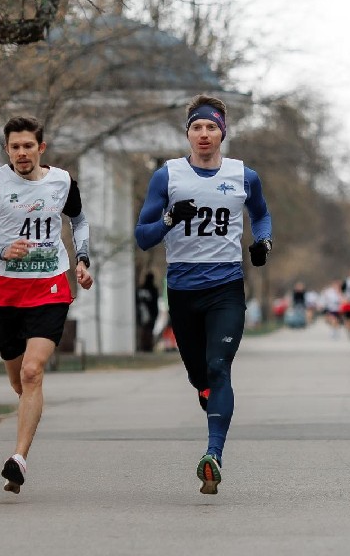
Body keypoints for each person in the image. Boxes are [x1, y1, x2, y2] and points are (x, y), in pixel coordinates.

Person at [135, 94, 273, 495]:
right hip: (182, 289)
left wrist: (263, 241)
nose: (204, 134)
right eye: (197, 127)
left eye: (212, 126)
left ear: (223, 132)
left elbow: (261, 213)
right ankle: (207, 395)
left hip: (226, 288)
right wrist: (168, 219)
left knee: (219, 367)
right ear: (188, 133)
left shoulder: (244, 175)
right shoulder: (167, 176)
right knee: (200, 375)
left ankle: (214, 454)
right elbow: (143, 238)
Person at [0, 115, 94, 494]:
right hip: (4, 292)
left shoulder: (62, 182)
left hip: (49, 286)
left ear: (41, 148)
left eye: (28, 146)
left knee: (33, 372)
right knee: (19, 380)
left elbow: (79, 221)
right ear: (7, 149)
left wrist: (82, 259)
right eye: (14, 147)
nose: (21, 153)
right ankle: (27, 419)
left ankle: (18, 459)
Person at [136, 272, 160, 352]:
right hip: (149, 313)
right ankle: (146, 346)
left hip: (143, 313)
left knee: (145, 330)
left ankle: (145, 346)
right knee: (147, 330)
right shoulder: (153, 290)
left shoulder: (141, 289)